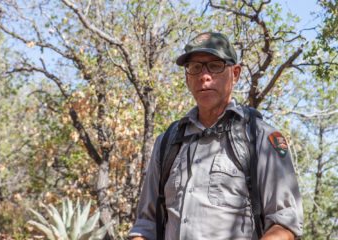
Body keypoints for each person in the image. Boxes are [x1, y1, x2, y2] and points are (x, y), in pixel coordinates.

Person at [129, 32, 303, 240]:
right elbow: (146, 224)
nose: (204, 76)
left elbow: (285, 223)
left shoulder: (261, 138)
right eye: (195, 68)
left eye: (215, 66)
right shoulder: (167, 142)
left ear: (235, 73)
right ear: (187, 78)